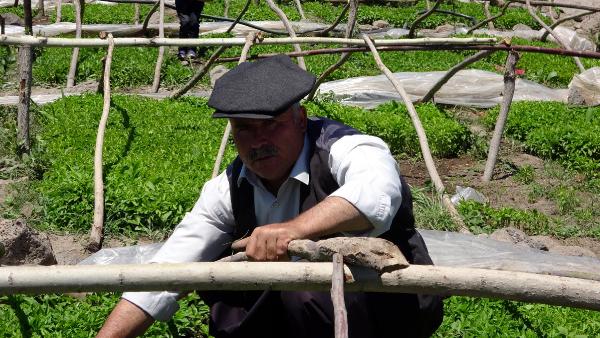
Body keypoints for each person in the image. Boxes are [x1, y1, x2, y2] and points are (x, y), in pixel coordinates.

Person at [97, 54, 443, 338]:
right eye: (244, 129)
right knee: (228, 288)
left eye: (272, 124)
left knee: (300, 285)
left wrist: (292, 229)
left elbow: (376, 197)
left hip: (384, 310)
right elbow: (168, 269)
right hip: (292, 318)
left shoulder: (349, 148)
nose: (259, 141)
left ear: (300, 119)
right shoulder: (229, 187)